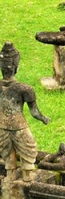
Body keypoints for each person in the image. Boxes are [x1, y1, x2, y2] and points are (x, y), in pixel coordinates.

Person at [0, 42, 50, 182]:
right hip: (19, 126)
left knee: (7, 151)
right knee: (28, 149)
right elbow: (34, 112)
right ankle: (27, 174)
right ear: (16, 67)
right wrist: (44, 118)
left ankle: (10, 174)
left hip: (1, 126)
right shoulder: (24, 89)